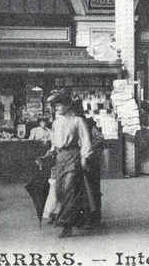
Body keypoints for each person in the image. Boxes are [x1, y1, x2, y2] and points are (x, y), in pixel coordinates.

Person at [42, 91, 93, 238]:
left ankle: (67, 225)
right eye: (55, 106)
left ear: (68, 106)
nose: (56, 108)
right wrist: (49, 154)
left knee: (70, 189)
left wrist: (84, 158)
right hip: (60, 158)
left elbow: (85, 141)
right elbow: (54, 143)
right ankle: (70, 219)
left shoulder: (78, 121)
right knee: (59, 191)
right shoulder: (56, 123)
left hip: (73, 157)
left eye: (58, 105)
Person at [74, 99, 105, 228]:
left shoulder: (89, 124)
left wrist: (88, 148)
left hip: (90, 160)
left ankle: (94, 218)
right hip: (76, 159)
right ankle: (81, 218)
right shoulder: (72, 123)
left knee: (92, 189)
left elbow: (99, 139)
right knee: (80, 190)